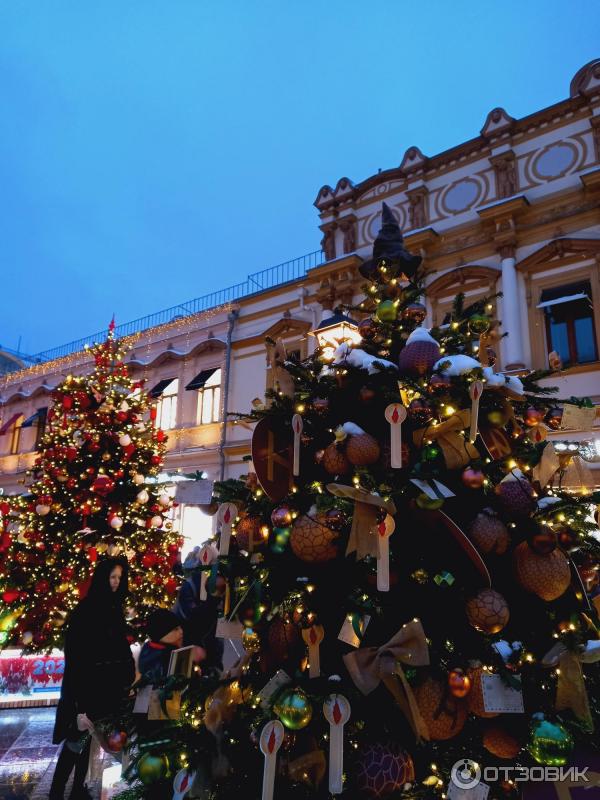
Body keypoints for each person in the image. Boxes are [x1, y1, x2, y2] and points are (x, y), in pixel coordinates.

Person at [50, 557, 135, 800]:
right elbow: (78, 654)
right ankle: (56, 792)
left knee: (87, 740)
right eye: (112, 577)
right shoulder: (87, 609)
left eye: (119, 577)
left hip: (105, 686)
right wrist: (78, 701)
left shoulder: (113, 607)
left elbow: (119, 646)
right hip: (86, 687)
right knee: (77, 738)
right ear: (102, 578)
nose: (116, 582)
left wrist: (126, 673)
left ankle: (77, 789)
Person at [173, 570, 224, 671]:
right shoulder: (190, 586)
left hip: (207, 639)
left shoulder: (215, 600)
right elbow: (190, 618)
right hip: (191, 639)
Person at [138, 609, 184, 682]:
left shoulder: (169, 647)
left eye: (180, 627)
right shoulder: (153, 657)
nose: (181, 631)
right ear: (161, 634)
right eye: (175, 629)